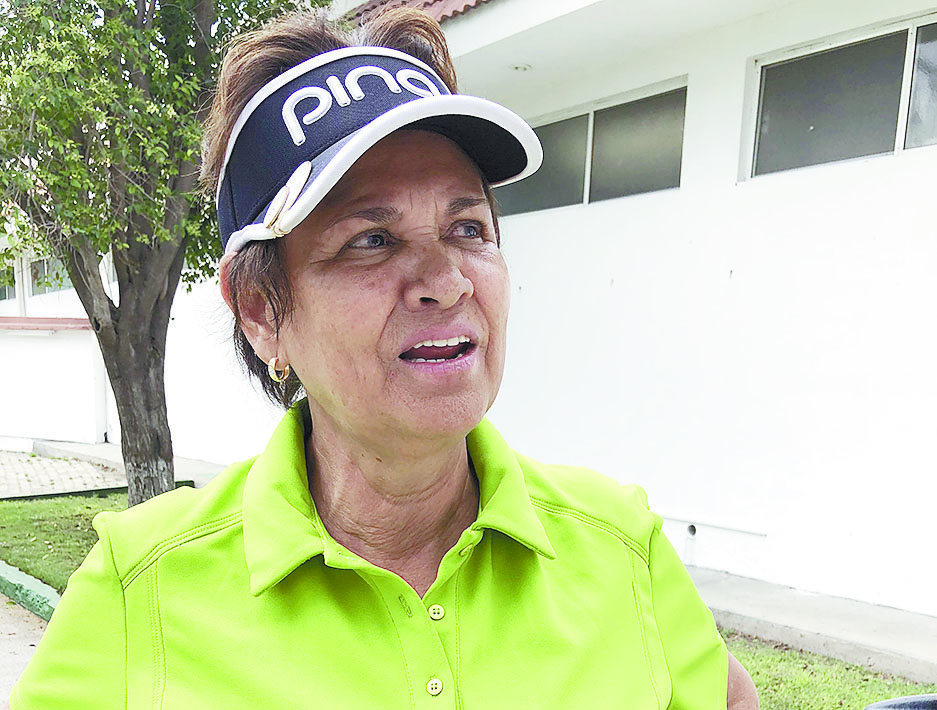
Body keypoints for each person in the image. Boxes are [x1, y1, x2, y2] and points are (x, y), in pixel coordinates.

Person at [11, 8, 759, 709]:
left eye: (468, 229)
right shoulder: (138, 591)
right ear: (261, 309)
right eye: (371, 240)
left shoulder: (622, 547)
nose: (447, 281)